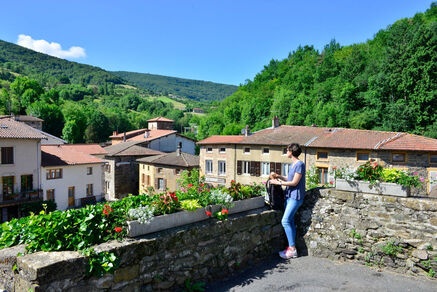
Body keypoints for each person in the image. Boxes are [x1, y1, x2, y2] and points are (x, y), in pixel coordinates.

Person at [270, 143, 306, 259]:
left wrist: (278, 183)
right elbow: (289, 179)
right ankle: (291, 247)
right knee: (290, 221)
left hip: (295, 197)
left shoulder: (300, 164)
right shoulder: (294, 164)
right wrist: (279, 176)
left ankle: (292, 249)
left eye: (287, 150)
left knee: (285, 221)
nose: (286, 151)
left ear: (291, 151)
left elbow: (294, 183)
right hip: (290, 196)